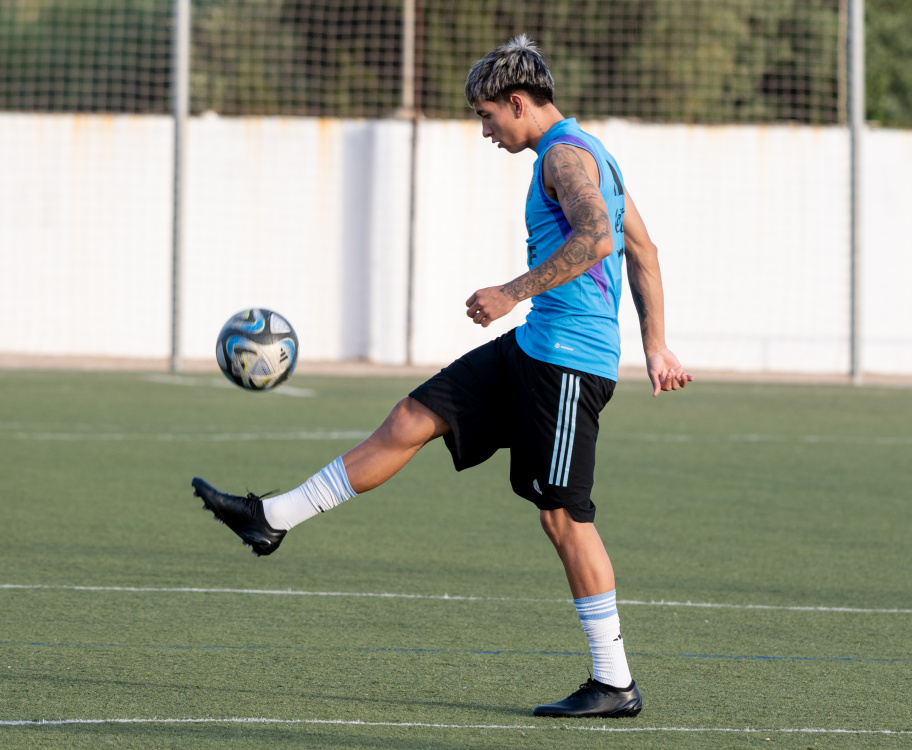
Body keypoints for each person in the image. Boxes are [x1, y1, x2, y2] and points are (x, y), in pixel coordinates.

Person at [191, 34, 691, 719]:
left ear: (519, 103)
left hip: (569, 363)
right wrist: (657, 346)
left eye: (488, 116)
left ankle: (614, 681)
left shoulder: (567, 158)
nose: (485, 130)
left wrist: (512, 291)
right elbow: (645, 248)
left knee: (563, 518)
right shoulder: (592, 154)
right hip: (536, 347)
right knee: (412, 417)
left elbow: (598, 238)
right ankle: (270, 519)